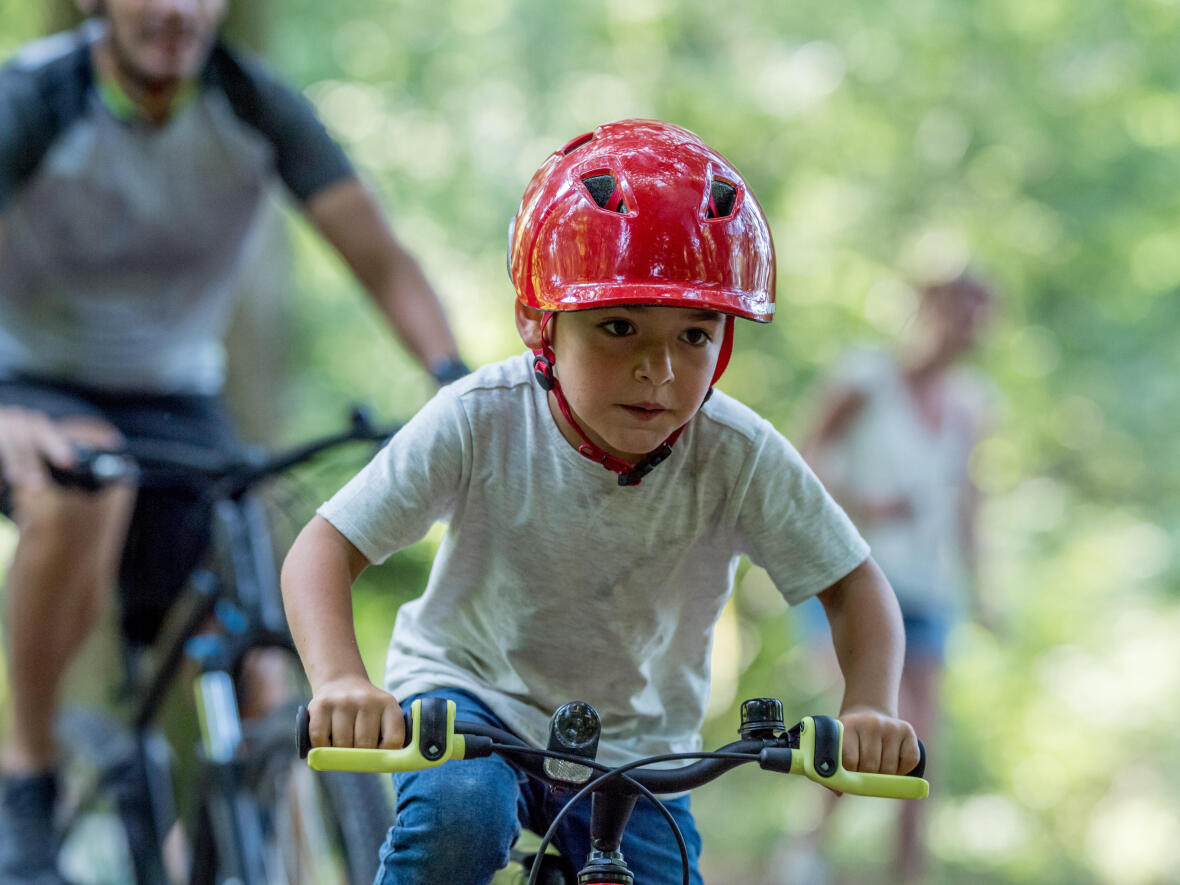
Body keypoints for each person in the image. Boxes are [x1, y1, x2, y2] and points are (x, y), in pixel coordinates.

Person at [281, 118, 921, 885]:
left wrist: (869, 706)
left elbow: (853, 586)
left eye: (695, 334)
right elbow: (323, 547)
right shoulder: (482, 416)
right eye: (619, 327)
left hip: (642, 748)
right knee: (461, 817)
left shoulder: (737, 452)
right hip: (474, 702)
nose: (660, 371)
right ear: (538, 322)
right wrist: (342, 680)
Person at [0, 1, 467, 881]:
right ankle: (26, 773)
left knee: (259, 631)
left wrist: (456, 387)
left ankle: (237, 850)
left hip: (177, 391)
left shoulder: (256, 105)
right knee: (83, 490)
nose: (174, 10)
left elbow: (383, 260)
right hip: (26, 379)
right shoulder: (33, 98)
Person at [796, 273, 996, 883]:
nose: (973, 326)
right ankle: (807, 850)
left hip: (928, 589)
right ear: (930, 307)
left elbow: (967, 496)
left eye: (983, 314)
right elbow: (800, 456)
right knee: (875, 720)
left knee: (921, 738)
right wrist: (863, 501)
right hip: (851, 577)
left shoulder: (971, 402)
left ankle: (908, 872)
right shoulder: (866, 377)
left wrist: (982, 587)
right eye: (964, 309)